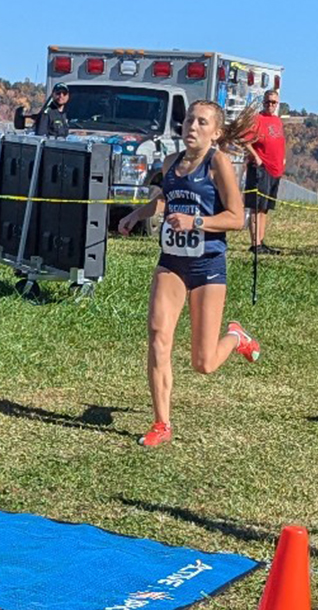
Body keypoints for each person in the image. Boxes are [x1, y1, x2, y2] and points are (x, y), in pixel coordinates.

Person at [116, 101, 259, 447]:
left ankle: (236, 337)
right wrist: (137, 214)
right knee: (157, 336)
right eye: (189, 120)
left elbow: (237, 218)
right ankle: (161, 422)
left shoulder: (218, 163)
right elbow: (164, 200)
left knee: (204, 363)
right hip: (172, 262)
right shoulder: (170, 163)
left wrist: (196, 222)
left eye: (202, 122)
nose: (192, 126)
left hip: (208, 265)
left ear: (216, 131)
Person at [242, 89, 286, 255]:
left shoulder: (277, 121)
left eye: (273, 102)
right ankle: (255, 243)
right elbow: (245, 140)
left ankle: (261, 240)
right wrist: (256, 157)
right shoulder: (257, 119)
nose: (270, 105)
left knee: (265, 208)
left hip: (275, 169)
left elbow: (280, 142)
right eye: (268, 102)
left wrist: (283, 159)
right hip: (261, 168)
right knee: (256, 206)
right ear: (263, 102)